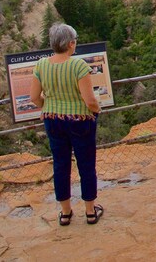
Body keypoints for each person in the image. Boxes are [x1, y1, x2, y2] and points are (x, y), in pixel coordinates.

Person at [30, 23, 104, 226]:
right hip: (79, 121)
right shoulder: (78, 66)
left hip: (53, 121)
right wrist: (96, 111)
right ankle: (90, 212)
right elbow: (89, 100)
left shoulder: (41, 65)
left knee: (60, 165)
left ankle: (65, 213)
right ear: (71, 44)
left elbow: (34, 97)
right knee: (86, 165)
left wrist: (49, 106)